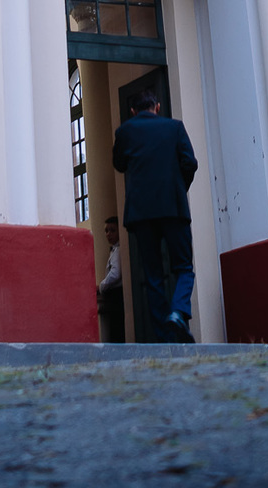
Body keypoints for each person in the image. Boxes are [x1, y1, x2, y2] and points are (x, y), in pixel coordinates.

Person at [112, 86, 198, 343]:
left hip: (141, 214)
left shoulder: (124, 131)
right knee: (183, 267)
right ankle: (178, 311)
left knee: (152, 276)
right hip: (173, 208)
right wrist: (178, 188)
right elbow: (190, 163)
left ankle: (163, 337)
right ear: (157, 107)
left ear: (132, 110)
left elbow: (119, 164)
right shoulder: (175, 128)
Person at [97, 214, 125, 343]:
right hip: (114, 294)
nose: (108, 234)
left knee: (117, 328)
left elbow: (115, 273)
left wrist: (102, 286)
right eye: (106, 231)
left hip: (116, 294)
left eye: (112, 230)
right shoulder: (114, 250)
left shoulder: (118, 251)